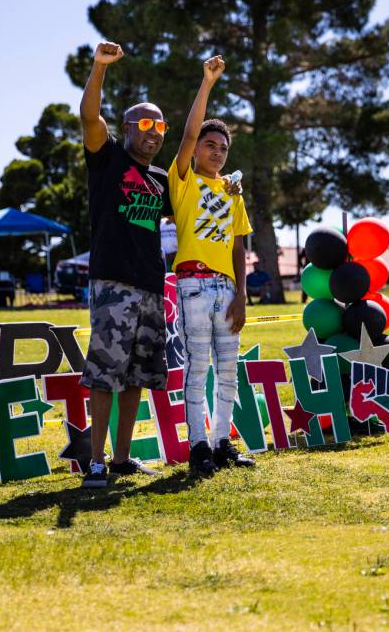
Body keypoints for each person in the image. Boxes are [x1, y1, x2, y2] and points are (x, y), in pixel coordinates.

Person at [79, 41, 171, 488]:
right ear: (129, 127)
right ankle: (94, 462)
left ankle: (121, 459)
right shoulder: (109, 157)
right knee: (105, 372)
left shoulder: (160, 179)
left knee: (136, 373)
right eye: (146, 123)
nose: (154, 132)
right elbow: (89, 118)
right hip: (113, 281)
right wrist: (99, 69)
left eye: (161, 127)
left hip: (151, 284)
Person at [168, 54, 256, 477]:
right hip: (192, 286)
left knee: (228, 372)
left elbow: (239, 245)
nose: (216, 153)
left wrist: (242, 295)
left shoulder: (233, 191)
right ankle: (198, 446)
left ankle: (223, 443)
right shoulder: (183, 178)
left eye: (223, 148)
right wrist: (207, 83)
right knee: (196, 368)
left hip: (227, 291)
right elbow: (187, 134)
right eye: (210, 145)